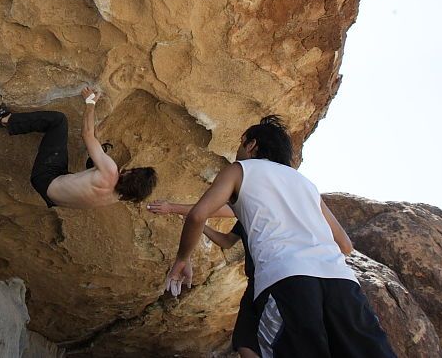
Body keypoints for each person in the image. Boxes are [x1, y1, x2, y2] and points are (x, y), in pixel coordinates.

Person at [164, 116, 395, 358]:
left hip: (288, 280)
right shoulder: (305, 184)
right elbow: (345, 245)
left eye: (241, 144)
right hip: (342, 283)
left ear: (252, 145)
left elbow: (198, 215)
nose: (238, 150)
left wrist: (182, 258)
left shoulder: (239, 170)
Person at [0, 87, 157, 209]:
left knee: (58, 121)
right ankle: (91, 162)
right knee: (93, 164)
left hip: (46, 178)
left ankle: (3, 119)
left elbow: (87, 134)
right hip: (54, 198)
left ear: (130, 173)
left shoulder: (111, 171)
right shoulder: (117, 197)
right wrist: (95, 159)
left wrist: (90, 103)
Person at [148, 200, 260, 358]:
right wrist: (200, 227)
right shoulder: (247, 216)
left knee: (249, 341)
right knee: (243, 340)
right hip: (256, 283)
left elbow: (209, 209)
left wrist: (171, 208)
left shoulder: (255, 204)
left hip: (271, 280)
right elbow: (226, 242)